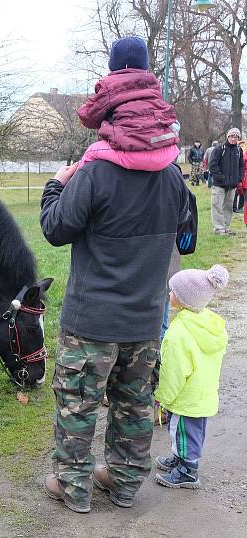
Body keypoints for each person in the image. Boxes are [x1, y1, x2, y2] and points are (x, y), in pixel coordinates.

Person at [39, 37, 191, 514]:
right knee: (134, 406)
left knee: (78, 405)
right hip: (145, 321)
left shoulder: (94, 172)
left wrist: (53, 186)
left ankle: (74, 486)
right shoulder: (172, 176)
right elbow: (186, 230)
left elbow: (56, 229)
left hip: (92, 323)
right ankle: (124, 484)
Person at [154, 265, 229, 489]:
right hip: (202, 394)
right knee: (191, 432)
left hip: (185, 398)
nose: (170, 294)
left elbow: (174, 372)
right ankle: (180, 460)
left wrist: (163, 397)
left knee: (182, 432)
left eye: (173, 292)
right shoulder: (208, 324)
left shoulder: (179, 333)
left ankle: (188, 471)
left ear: (184, 299)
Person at [76, 36, 180, 173]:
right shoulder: (153, 85)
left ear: (113, 63)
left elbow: (88, 117)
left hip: (131, 153)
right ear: (145, 63)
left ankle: (74, 184)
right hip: (165, 152)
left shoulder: (109, 85)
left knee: (91, 151)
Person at [208, 128, 243, 235]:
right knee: (217, 206)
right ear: (227, 137)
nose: (233, 138)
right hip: (219, 185)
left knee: (228, 207)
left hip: (232, 185)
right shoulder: (219, 149)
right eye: (232, 136)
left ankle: (226, 227)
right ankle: (219, 229)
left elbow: (241, 166)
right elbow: (212, 165)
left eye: (236, 137)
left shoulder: (239, 150)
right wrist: (221, 178)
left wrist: (239, 178)